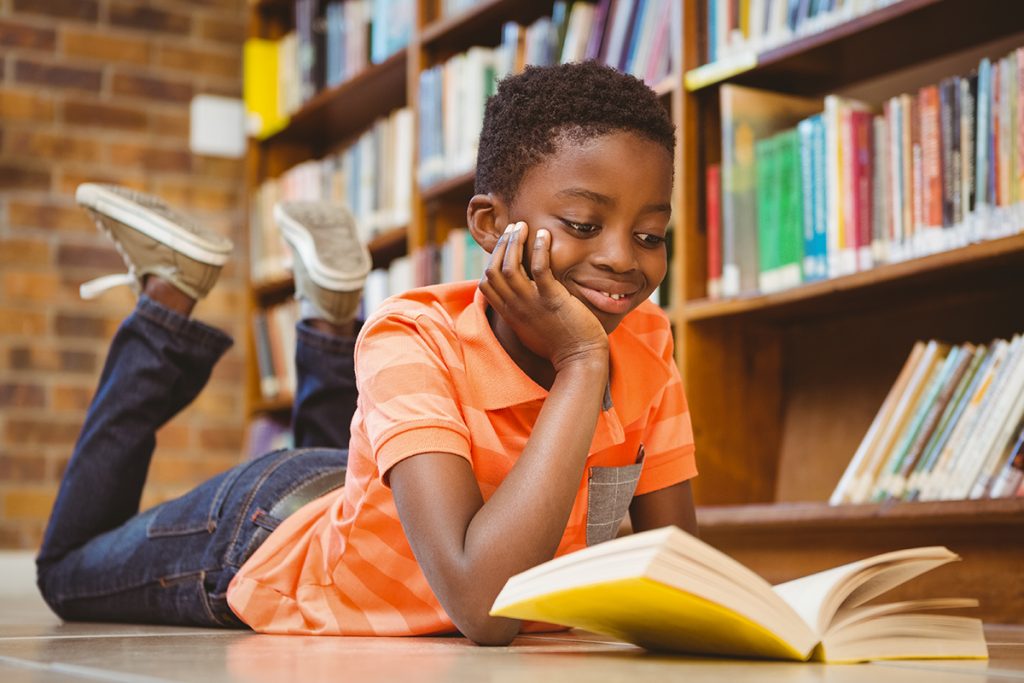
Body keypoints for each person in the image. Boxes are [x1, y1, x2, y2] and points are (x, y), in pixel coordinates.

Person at [36, 61, 698, 646]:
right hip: (264, 533)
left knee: (368, 496)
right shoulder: (412, 336)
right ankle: (167, 301)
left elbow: (678, 575)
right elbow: (485, 608)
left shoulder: (648, 342)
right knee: (65, 570)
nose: (620, 258)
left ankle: (326, 318)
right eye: (584, 225)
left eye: (649, 233)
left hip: (380, 495)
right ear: (491, 226)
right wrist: (581, 364)